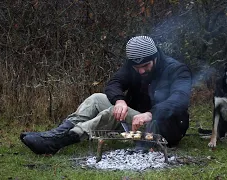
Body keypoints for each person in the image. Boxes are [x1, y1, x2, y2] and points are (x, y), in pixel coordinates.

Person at [20, 36, 193, 155]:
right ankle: (56, 133)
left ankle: (60, 141)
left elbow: (180, 99)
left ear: (155, 57)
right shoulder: (134, 66)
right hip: (134, 122)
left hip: (164, 128)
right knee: (97, 98)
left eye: (145, 66)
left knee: (111, 112)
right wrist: (120, 101)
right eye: (136, 67)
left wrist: (151, 113)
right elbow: (114, 83)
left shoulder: (177, 69)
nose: (141, 71)